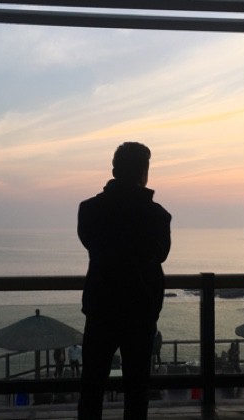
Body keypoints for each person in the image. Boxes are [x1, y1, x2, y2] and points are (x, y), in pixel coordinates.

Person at [77, 142, 172, 420]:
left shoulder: (89, 210)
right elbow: (160, 255)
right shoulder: (158, 215)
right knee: (137, 389)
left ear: (114, 170)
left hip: (101, 308)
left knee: (92, 386)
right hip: (141, 310)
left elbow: (92, 244)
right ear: (144, 172)